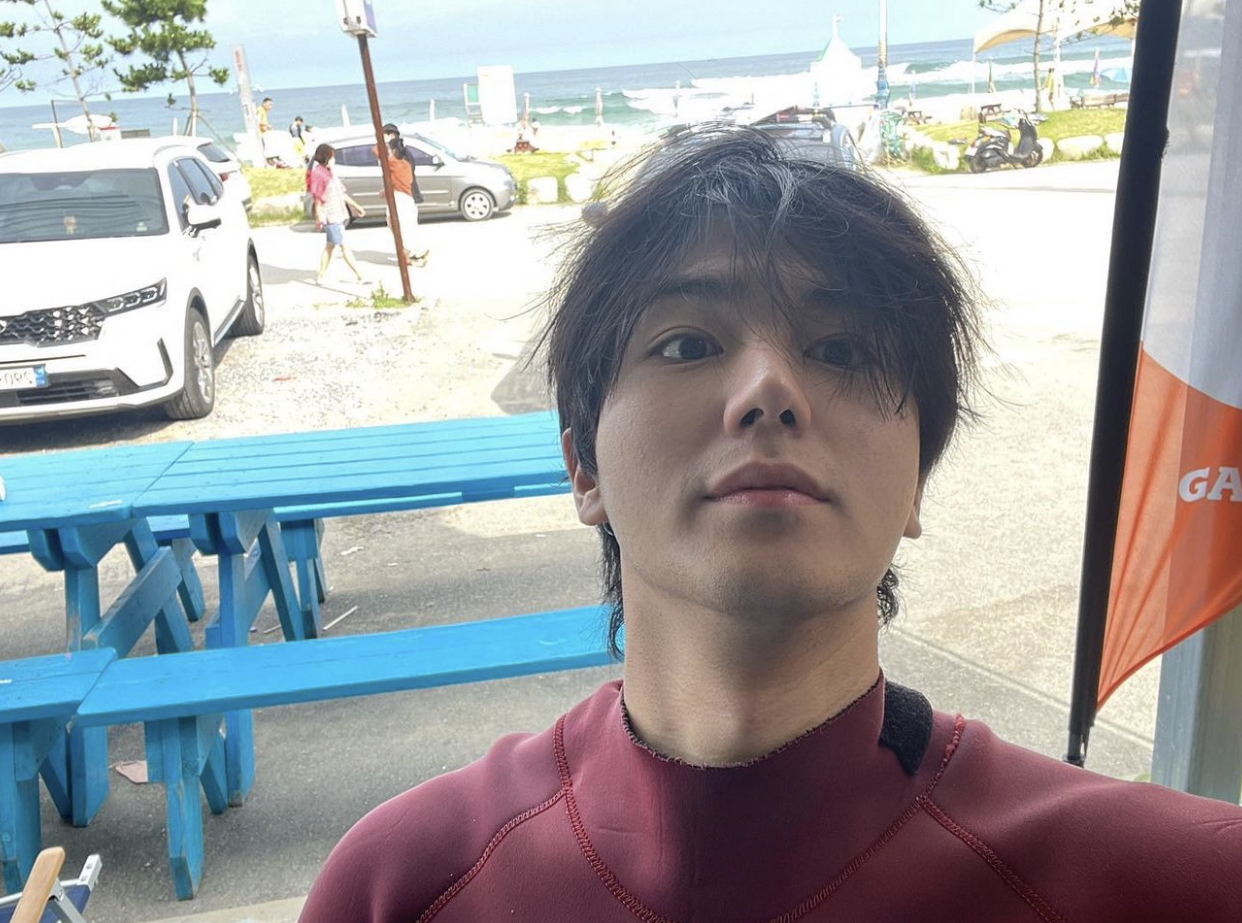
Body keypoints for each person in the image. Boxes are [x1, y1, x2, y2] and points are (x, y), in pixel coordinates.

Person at [299, 125, 1242, 921]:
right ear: (584, 465)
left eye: (842, 348)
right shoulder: (403, 887)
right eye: (687, 343)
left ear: (917, 478)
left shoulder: (1172, 884)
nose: (769, 390)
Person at [306, 142, 367, 285]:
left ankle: (321, 275)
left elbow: (341, 193)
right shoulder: (319, 174)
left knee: (330, 246)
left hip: (338, 214)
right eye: (332, 156)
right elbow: (318, 199)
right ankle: (359, 275)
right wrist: (319, 218)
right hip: (330, 216)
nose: (333, 159)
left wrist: (356, 206)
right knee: (343, 245)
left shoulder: (330, 173)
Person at [380, 123, 429, 265]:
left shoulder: (399, 154)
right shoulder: (393, 153)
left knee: (405, 223)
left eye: (383, 135)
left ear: (391, 135)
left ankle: (412, 252)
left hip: (403, 194)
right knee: (396, 222)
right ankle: (408, 252)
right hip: (398, 193)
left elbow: (402, 175)